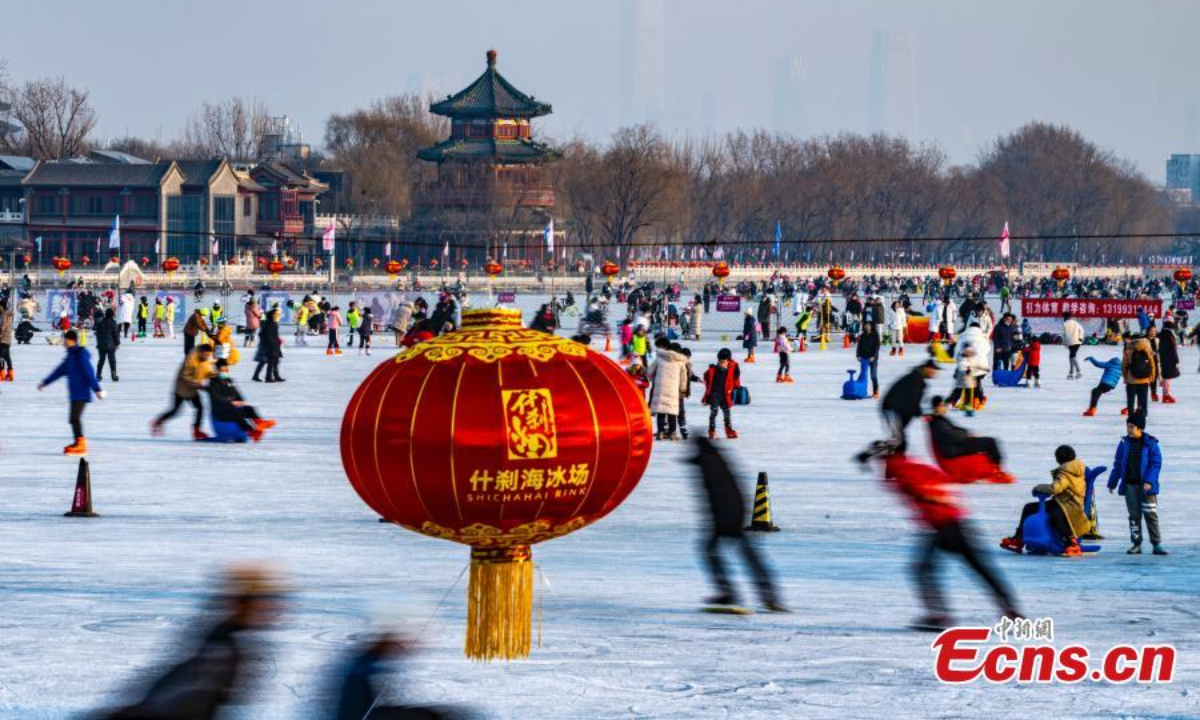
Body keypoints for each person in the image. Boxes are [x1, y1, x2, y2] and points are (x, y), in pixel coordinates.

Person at [857, 440, 1020, 631]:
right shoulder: (915, 466)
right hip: (956, 523)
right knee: (979, 568)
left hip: (943, 526)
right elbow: (942, 483)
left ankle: (939, 615)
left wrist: (927, 499)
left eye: (880, 458)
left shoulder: (901, 469)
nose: (879, 463)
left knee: (926, 569)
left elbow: (922, 489)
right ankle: (1010, 611)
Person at [102, 564, 286, 719]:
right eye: (266, 599)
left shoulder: (219, 640)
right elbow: (176, 704)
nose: (275, 607)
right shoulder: (221, 651)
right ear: (241, 604)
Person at [687, 436, 784, 611]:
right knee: (745, 555)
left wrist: (725, 523)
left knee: (716, 552)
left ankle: (729, 593)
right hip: (730, 516)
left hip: (727, 519)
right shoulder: (715, 460)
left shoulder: (709, 464)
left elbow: (722, 493)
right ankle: (768, 594)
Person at [999, 445, 1088, 556]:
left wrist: (1039, 487)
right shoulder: (1076, 468)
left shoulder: (1065, 472)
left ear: (1058, 458)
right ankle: (1019, 538)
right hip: (1066, 502)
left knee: (1055, 514)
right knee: (1029, 508)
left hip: (1068, 505)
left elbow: (1056, 488)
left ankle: (1070, 541)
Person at [1106, 411, 1166, 555]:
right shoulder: (1124, 444)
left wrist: (1149, 481)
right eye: (1128, 426)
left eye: (1132, 426)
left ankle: (1156, 544)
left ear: (1140, 428)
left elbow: (1155, 464)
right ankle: (1136, 544)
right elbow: (1118, 464)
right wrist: (1112, 482)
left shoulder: (1151, 443)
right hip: (1130, 486)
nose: (1128, 429)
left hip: (1147, 487)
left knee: (1150, 514)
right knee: (1134, 516)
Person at [38, 330, 104, 455]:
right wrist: (45, 382)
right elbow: (59, 371)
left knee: (74, 418)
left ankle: (81, 444)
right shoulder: (70, 356)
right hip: (75, 393)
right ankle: (78, 442)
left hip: (82, 393)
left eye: (64, 340)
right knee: (73, 419)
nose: (63, 343)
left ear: (70, 340)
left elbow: (88, 372)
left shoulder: (80, 354)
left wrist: (97, 389)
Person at [927, 395, 1008, 472]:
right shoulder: (938, 422)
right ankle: (996, 468)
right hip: (954, 449)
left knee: (987, 442)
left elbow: (955, 429)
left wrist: (967, 433)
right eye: (943, 405)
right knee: (990, 442)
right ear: (937, 406)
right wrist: (966, 435)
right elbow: (951, 436)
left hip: (955, 446)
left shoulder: (939, 419)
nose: (945, 407)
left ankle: (992, 467)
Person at [152, 344, 215, 440]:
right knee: (175, 411)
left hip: (193, 389)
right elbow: (185, 375)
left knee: (199, 408)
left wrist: (215, 375)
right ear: (201, 352)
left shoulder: (205, 361)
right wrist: (196, 384)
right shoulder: (191, 359)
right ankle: (158, 421)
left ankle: (196, 431)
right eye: (205, 355)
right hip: (182, 389)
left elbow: (206, 372)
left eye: (208, 355)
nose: (207, 357)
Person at [206, 359, 273, 442]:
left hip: (232, 408)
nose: (224, 372)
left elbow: (237, 394)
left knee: (249, 409)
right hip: (220, 411)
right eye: (222, 370)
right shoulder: (213, 383)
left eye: (226, 369)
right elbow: (216, 398)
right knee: (237, 413)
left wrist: (241, 401)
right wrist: (231, 402)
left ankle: (260, 423)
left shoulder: (229, 381)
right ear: (217, 370)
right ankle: (251, 431)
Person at [879, 360, 939, 451]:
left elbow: (914, 403)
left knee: (899, 441)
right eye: (933, 369)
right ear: (926, 368)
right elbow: (913, 402)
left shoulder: (917, 378)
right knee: (898, 440)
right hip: (891, 409)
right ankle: (869, 454)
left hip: (897, 409)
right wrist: (925, 414)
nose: (935, 372)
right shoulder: (916, 380)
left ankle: (893, 459)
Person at [647, 338, 687, 440]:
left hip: (660, 388)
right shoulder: (680, 362)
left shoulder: (659, 359)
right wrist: (682, 389)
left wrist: (653, 379)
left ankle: (660, 432)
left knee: (661, 411)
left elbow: (649, 372)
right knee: (671, 411)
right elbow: (683, 378)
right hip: (673, 389)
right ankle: (672, 433)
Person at [701, 348, 741, 439]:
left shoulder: (731, 370)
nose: (722, 364)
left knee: (727, 413)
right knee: (714, 412)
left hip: (725, 395)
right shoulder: (713, 370)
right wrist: (709, 371)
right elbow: (706, 376)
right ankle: (712, 430)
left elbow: (736, 380)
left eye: (724, 362)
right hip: (715, 394)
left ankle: (729, 430)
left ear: (728, 362)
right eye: (720, 362)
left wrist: (736, 383)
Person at [1122, 332, 1156, 417]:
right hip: (1144, 379)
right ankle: (1143, 416)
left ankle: (1131, 417)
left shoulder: (1128, 349)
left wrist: (1125, 377)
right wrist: (1152, 377)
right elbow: (1152, 363)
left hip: (1131, 380)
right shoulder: (1147, 348)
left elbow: (1124, 365)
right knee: (1143, 400)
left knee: (1130, 401)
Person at [252, 308, 284, 382]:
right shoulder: (269, 323)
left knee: (275, 361)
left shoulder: (273, 323)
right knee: (266, 361)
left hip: (274, 345)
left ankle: (276, 376)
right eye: (276, 315)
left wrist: (278, 340)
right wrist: (270, 343)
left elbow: (273, 335)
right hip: (269, 346)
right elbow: (263, 334)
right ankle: (266, 377)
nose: (278, 316)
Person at [94, 307, 121, 382]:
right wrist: (118, 343)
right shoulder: (113, 324)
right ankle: (113, 374)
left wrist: (98, 344)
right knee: (112, 360)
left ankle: (98, 375)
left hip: (101, 345)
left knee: (101, 360)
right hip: (111, 346)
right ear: (112, 315)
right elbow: (116, 334)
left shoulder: (100, 323)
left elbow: (97, 335)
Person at [856, 319, 881, 398]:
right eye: (865, 325)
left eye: (868, 325)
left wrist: (873, 356)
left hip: (873, 358)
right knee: (863, 375)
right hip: (864, 357)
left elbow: (877, 347)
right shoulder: (863, 335)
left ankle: (875, 391)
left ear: (871, 326)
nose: (867, 326)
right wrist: (858, 355)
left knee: (873, 375)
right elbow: (859, 346)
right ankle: (862, 391)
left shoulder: (875, 335)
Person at [1158, 318, 1180, 403]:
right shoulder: (1169, 334)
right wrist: (1176, 360)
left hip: (1163, 357)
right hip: (1169, 359)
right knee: (1167, 377)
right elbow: (1172, 349)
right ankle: (1166, 395)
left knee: (1165, 377)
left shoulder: (1162, 333)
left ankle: (1165, 394)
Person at [1063, 311, 1085, 379]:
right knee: (1071, 356)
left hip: (1071, 342)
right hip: (1078, 341)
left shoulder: (1065, 324)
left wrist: (1065, 342)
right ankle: (1071, 372)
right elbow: (1082, 330)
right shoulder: (1076, 322)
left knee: (1072, 356)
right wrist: (1081, 338)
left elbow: (1065, 334)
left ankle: (1079, 371)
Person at [0, 300, 13, 381]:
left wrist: (0, 335)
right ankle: (10, 374)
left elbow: (3, 327)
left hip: (3, 339)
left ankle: (1, 375)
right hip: (8, 339)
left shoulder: (4, 315)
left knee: (0, 357)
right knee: (7, 357)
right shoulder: (8, 314)